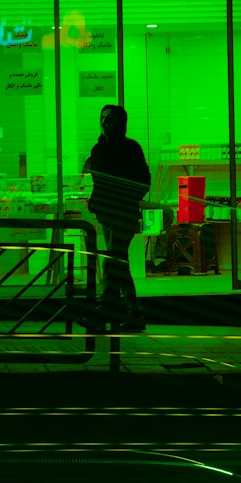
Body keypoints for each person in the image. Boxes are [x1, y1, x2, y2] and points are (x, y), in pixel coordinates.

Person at [82, 104, 150, 331]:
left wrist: (123, 198)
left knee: (112, 260)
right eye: (102, 118)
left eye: (109, 119)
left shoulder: (130, 149)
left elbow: (143, 181)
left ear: (121, 123)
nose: (104, 122)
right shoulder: (99, 149)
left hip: (122, 213)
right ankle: (132, 314)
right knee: (119, 262)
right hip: (107, 214)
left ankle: (105, 311)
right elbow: (99, 180)